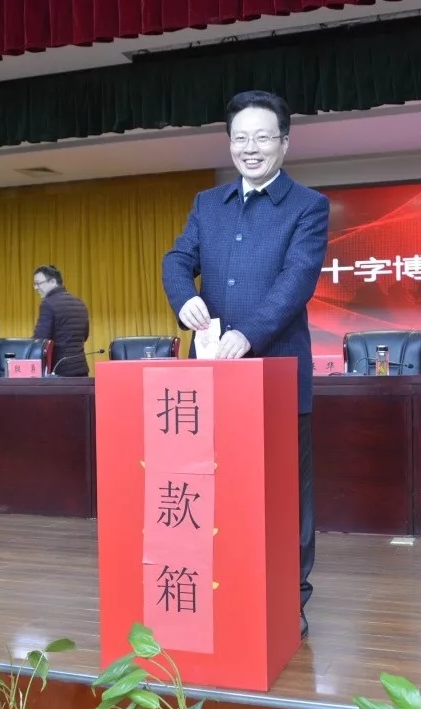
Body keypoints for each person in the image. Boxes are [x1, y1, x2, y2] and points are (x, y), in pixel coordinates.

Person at [161, 89, 330, 639]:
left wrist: (247, 334)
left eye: (261, 137)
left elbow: (295, 283)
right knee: (215, 491)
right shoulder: (207, 204)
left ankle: (288, 600)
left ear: (284, 142)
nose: (250, 148)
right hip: (211, 380)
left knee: (284, 497)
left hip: (277, 375)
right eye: (240, 138)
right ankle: (226, 590)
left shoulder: (308, 206)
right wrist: (183, 296)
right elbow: (176, 259)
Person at [31, 264, 90, 376]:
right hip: (81, 369)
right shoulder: (79, 303)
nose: (36, 288)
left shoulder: (48, 304)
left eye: (38, 283)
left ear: (53, 281)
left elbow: (40, 339)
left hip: (59, 370)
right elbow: (85, 336)